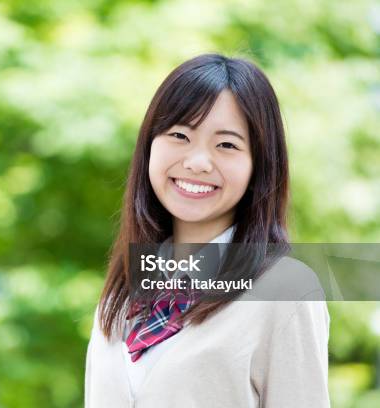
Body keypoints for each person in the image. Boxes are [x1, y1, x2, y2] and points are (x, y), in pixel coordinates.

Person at [84, 53, 330, 407]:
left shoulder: (285, 290)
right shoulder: (121, 295)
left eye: (226, 144)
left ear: (258, 165)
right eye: (180, 135)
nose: (197, 162)